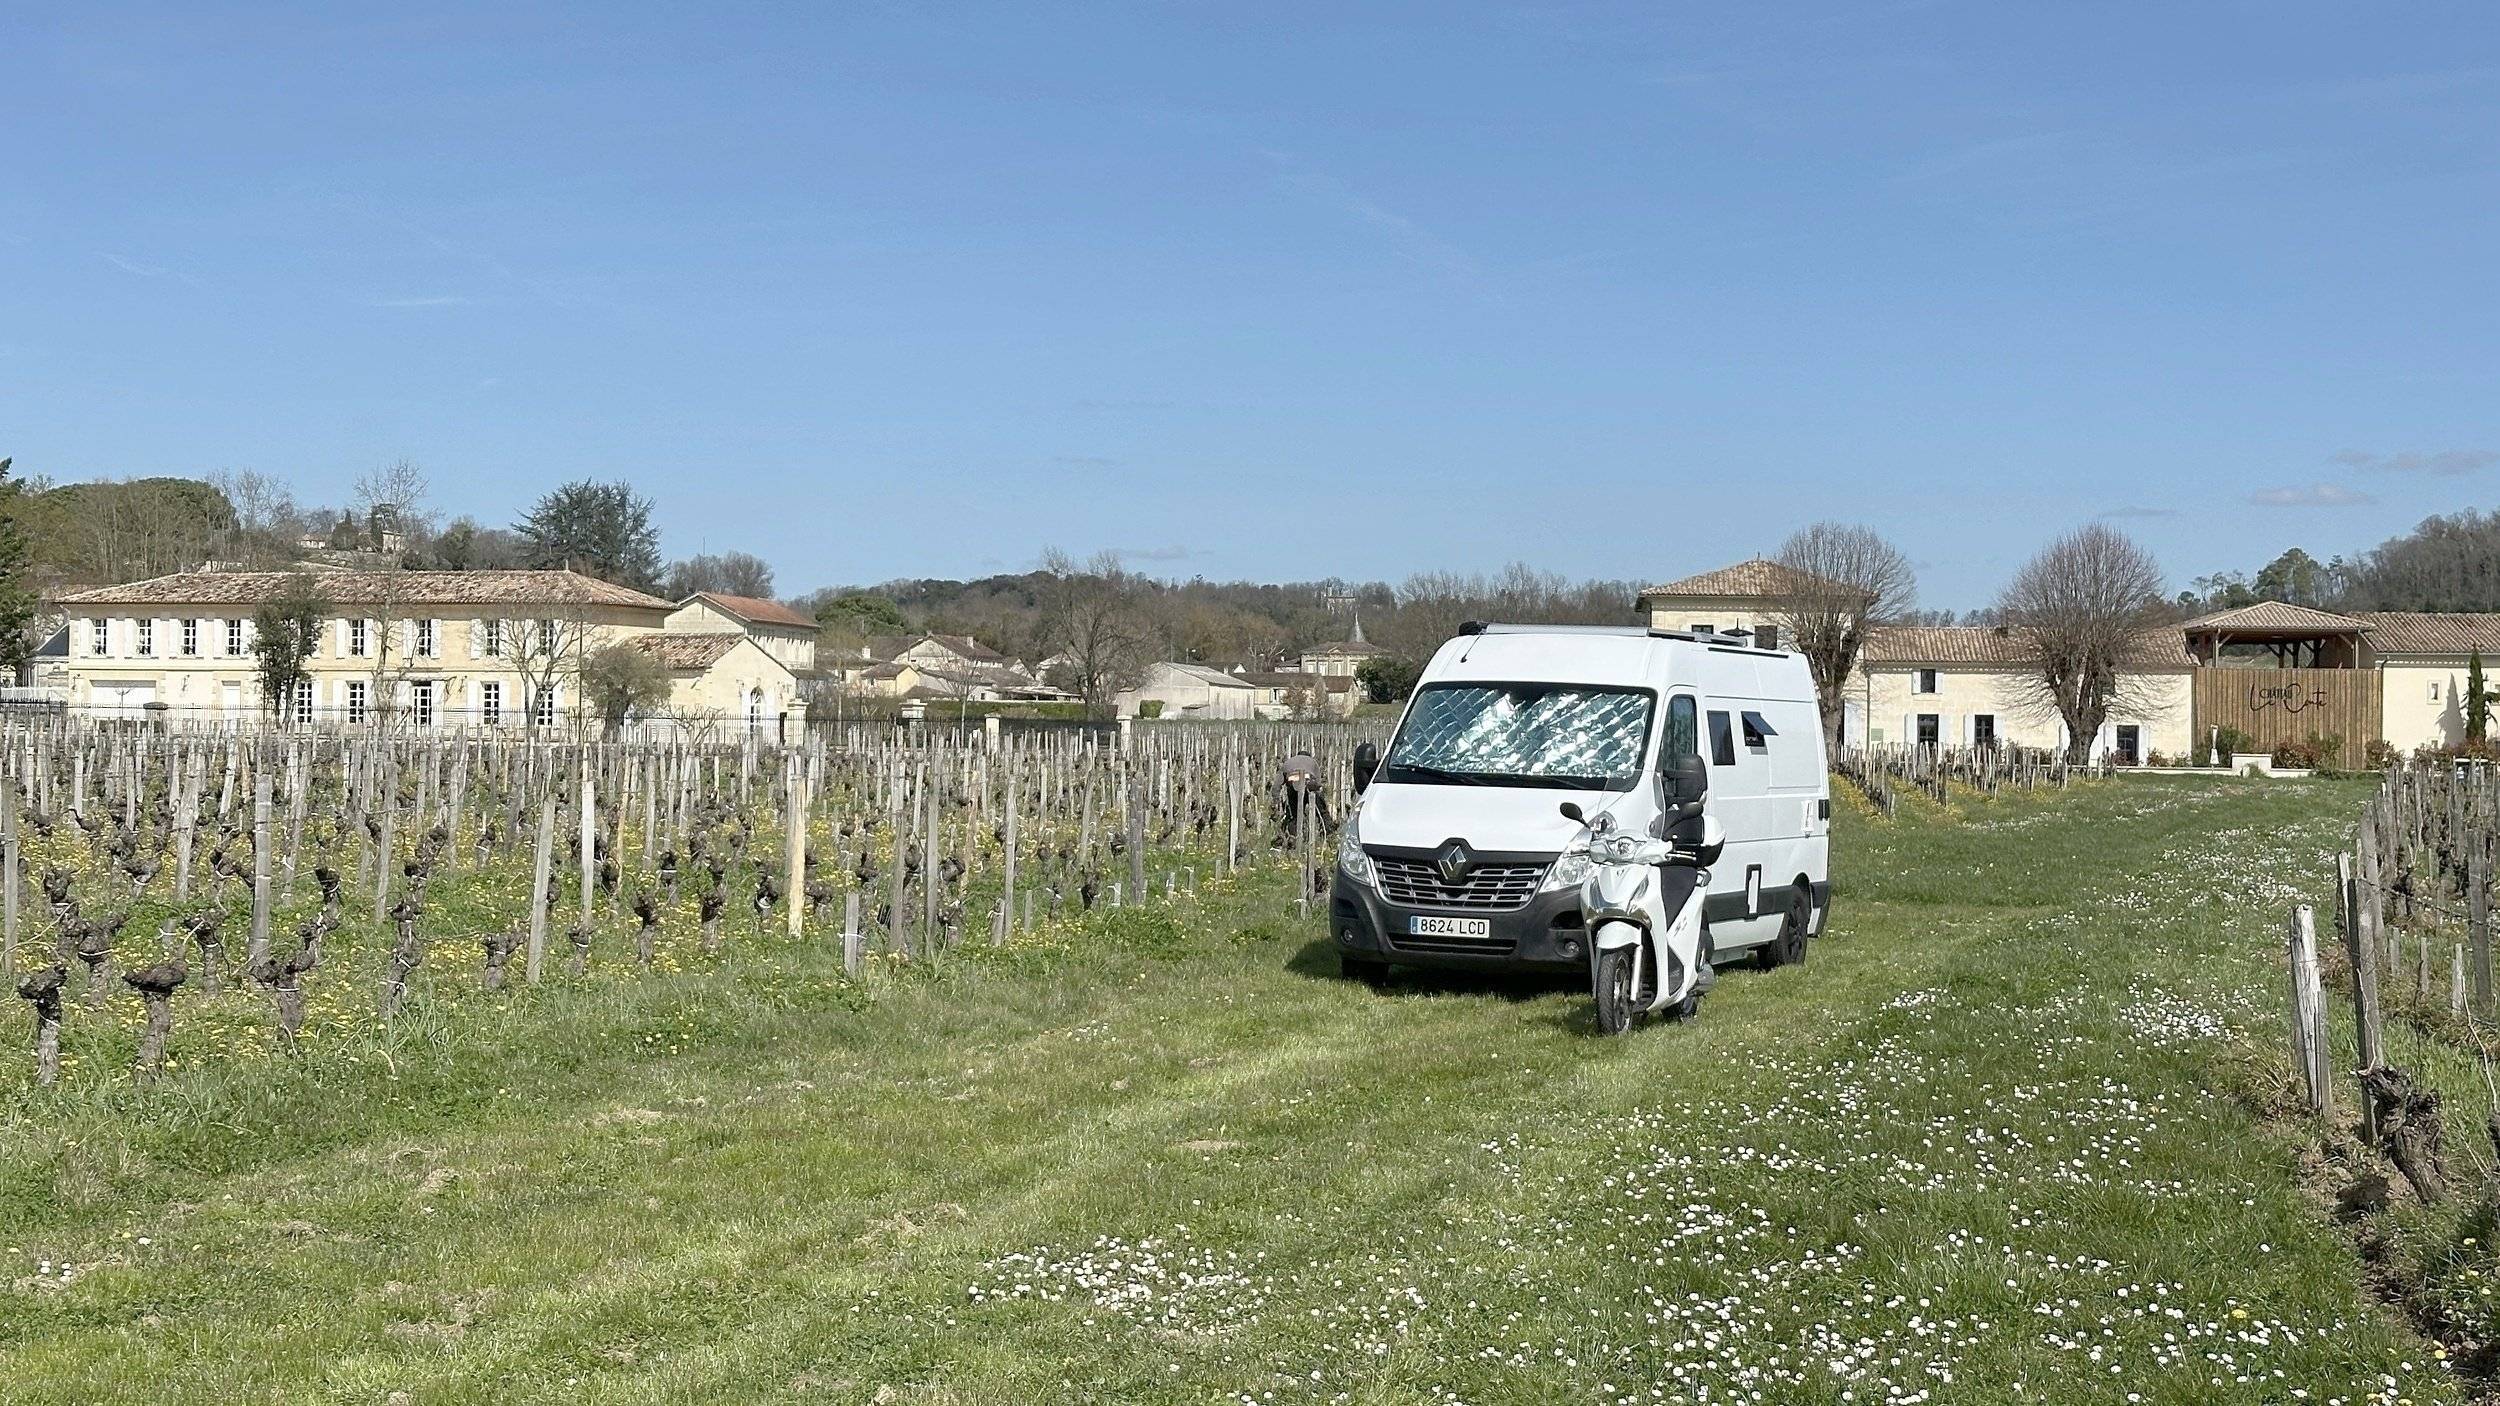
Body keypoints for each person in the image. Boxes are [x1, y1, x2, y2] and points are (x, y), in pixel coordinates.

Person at [1276, 750, 1336, 841]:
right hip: (1309, 783)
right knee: (1321, 811)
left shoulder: (1288, 762)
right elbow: (1318, 783)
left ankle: (1293, 838)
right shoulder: (1313, 762)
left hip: (1293, 786)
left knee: (1294, 815)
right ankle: (1328, 831)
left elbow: (1277, 784)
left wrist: (1275, 799)